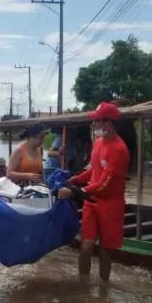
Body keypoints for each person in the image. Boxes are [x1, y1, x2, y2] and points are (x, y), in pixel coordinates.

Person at [57, 102, 129, 282]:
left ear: (108, 123)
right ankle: (84, 288)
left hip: (110, 204)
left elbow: (105, 183)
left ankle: (104, 291)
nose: (94, 125)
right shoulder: (97, 143)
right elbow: (94, 171)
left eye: (97, 121)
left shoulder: (119, 150)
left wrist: (74, 191)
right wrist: (77, 178)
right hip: (91, 201)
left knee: (105, 251)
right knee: (86, 247)